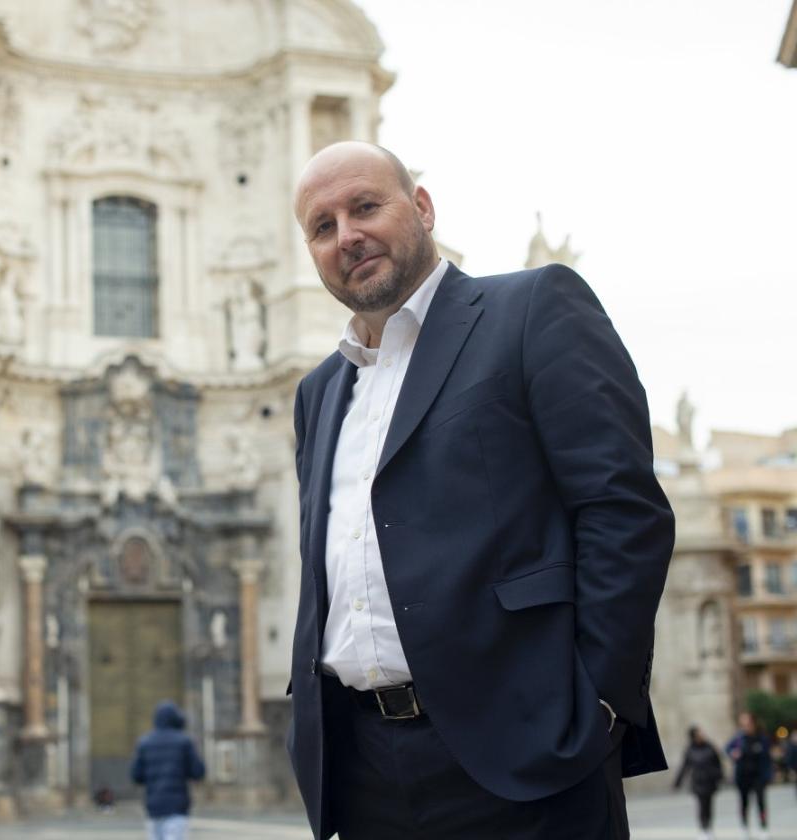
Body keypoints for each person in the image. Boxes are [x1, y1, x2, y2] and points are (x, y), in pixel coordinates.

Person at [287, 141, 675, 840]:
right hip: (364, 774)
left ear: (423, 208)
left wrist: (600, 709)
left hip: (524, 757)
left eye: (365, 206)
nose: (347, 235)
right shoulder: (317, 393)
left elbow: (623, 511)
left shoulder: (530, 308)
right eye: (323, 226)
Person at [130, 700, 206, 840]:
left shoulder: (145, 742)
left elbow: (136, 775)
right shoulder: (184, 742)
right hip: (177, 807)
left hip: (153, 807)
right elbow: (198, 772)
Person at [726, 712, 772, 840]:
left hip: (758, 776)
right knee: (744, 803)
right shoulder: (739, 739)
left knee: (761, 803)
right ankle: (744, 828)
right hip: (743, 777)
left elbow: (767, 759)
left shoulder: (762, 738)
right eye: (743, 724)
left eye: (748, 724)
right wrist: (733, 753)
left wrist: (768, 775)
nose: (746, 727)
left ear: (753, 723)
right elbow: (727, 748)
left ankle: (763, 828)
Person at [674, 726, 724, 840]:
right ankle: (703, 828)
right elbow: (684, 766)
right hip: (698, 782)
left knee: (709, 806)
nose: (702, 735)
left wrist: (720, 776)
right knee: (701, 806)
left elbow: (718, 762)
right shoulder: (690, 750)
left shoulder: (710, 746)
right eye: (699, 734)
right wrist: (678, 782)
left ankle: (709, 827)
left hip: (710, 781)